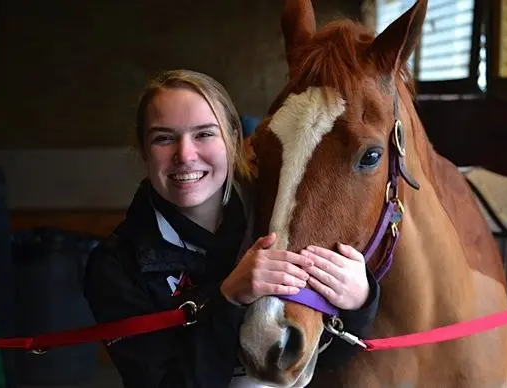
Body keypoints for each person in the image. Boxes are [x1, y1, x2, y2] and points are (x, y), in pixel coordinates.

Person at [83, 69, 379, 388]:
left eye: (204, 134)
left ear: (233, 141)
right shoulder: (114, 267)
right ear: (143, 150)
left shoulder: (274, 215)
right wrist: (229, 298)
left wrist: (360, 301)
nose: (185, 155)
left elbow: (323, 361)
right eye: (163, 138)